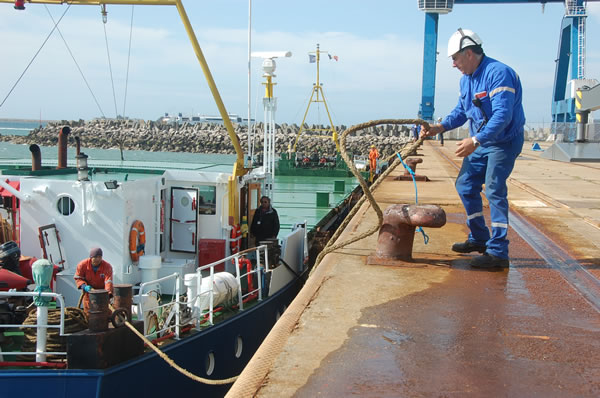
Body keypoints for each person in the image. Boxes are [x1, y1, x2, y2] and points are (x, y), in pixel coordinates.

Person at [421, 28, 525, 269]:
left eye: (455, 59)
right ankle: (479, 238)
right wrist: (440, 127)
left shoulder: (498, 73)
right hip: (481, 141)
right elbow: (462, 112)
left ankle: (498, 253)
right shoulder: (466, 80)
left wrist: (475, 141)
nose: (454, 64)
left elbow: (503, 115)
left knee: (494, 189)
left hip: (503, 142)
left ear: (469, 53)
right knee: (465, 185)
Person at [74, 247, 114, 313]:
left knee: (105, 314)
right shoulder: (82, 265)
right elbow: (78, 278)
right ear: (91, 257)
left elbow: (108, 281)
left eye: (100, 257)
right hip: (89, 294)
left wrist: (107, 294)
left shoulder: (107, 266)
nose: (98, 259)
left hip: (103, 294)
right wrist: (84, 286)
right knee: (89, 314)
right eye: (95, 257)